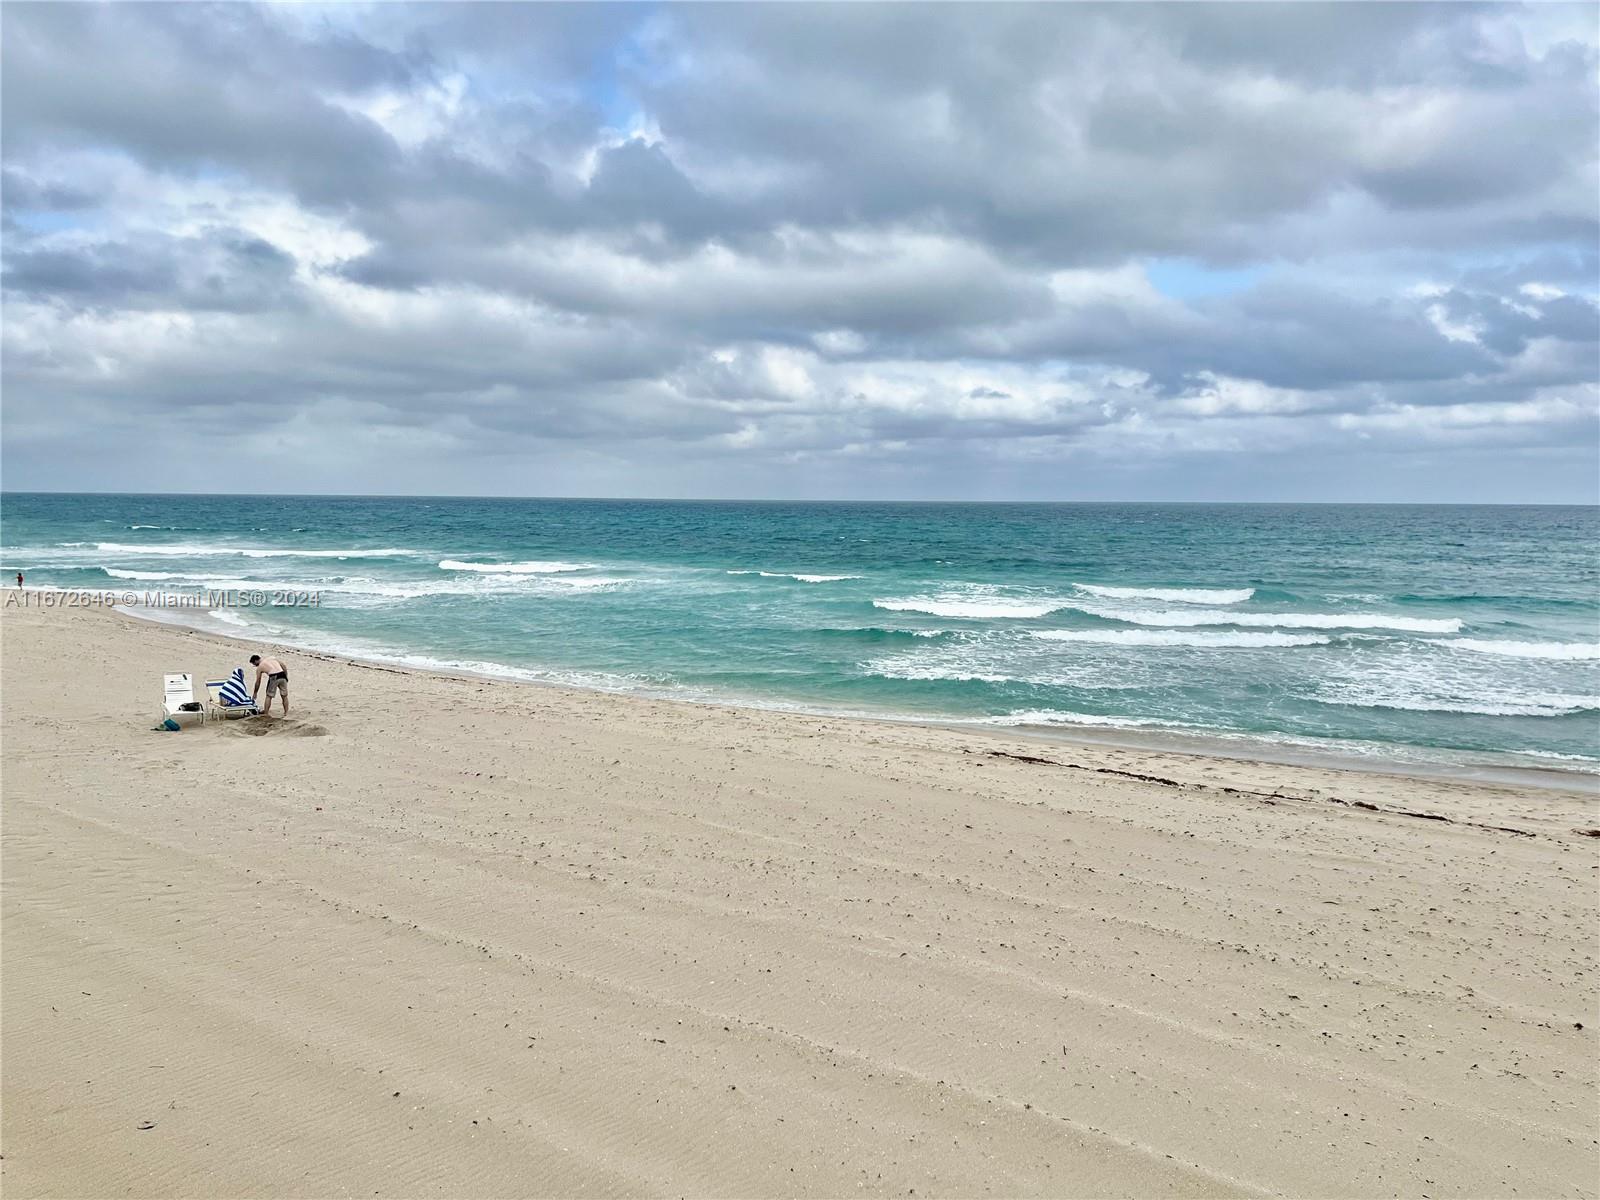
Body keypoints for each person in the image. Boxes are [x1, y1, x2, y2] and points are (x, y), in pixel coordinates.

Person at [249, 653, 290, 718]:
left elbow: (258, 681)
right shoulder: (272, 658)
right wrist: (286, 676)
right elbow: (283, 666)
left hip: (273, 676)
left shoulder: (260, 667)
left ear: (256, 661)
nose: (255, 666)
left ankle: (266, 713)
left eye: (254, 664)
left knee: (269, 696)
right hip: (282, 675)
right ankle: (286, 713)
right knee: (284, 696)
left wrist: (255, 693)